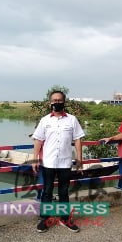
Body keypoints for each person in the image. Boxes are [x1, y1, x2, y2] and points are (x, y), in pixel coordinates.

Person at [32, 91, 85, 233]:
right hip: (48, 163)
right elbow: (38, 140)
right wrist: (35, 158)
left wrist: (80, 159)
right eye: (54, 100)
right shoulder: (45, 120)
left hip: (65, 163)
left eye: (59, 100)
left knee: (64, 192)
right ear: (50, 103)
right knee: (47, 191)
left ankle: (65, 219)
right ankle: (45, 219)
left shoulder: (72, 120)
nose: (57, 102)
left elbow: (78, 140)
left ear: (64, 102)